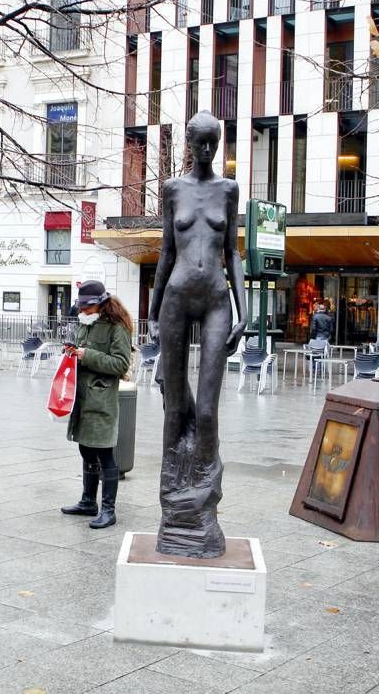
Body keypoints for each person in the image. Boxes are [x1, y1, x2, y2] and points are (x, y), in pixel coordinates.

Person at [148, 111, 247, 557]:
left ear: (219, 144)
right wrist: (151, 315)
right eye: (199, 143)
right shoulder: (172, 190)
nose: (206, 150)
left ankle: (202, 496)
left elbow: (232, 254)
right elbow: (166, 254)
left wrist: (246, 311)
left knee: (206, 410)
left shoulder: (228, 190)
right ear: (188, 144)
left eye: (213, 143)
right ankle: (174, 497)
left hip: (215, 302)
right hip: (175, 298)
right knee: (174, 406)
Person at [60, 280, 132, 530]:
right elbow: (82, 352)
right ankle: (88, 501)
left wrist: (86, 355)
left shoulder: (117, 328)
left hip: (101, 399)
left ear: (100, 304)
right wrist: (72, 353)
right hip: (81, 398)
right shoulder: (84, 324)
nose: (83, 311)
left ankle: (108, 510)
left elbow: (121, 365)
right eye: (82, 307)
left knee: (104, 454)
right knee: (86, 450)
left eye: (87, 307)